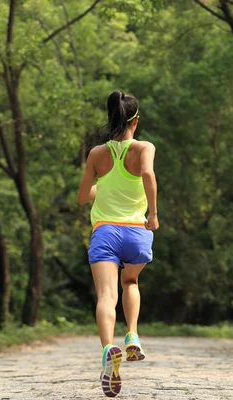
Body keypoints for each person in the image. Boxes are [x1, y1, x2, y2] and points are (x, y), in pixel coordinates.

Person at [77, 90, 158, 398]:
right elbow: (148, 175)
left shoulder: (97, 154)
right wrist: (153, 212)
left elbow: (83, 197)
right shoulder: (144, 147)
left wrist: (102, 187)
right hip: (137, 231)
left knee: (106, 296)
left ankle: (108, 348)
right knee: (131, 281)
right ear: (135, 121)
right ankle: (133, 335)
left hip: (105, 232)